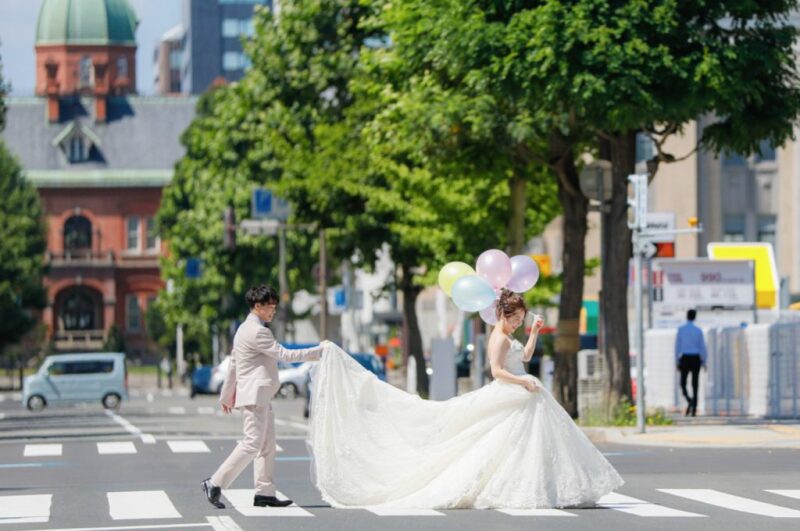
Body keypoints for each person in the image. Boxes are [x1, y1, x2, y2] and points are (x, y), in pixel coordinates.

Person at [307, 289, 623, 509]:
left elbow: (525, 357)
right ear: (503, 314)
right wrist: (522, 381)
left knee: (524, 444)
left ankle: (542, 485)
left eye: (522, 319)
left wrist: (534, 333)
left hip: (523, 390)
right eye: (516, 318)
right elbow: (497, 371)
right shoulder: (498, 338)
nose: (519, 323)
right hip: (511, 392)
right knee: (496, 443)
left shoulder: (511, 335)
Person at [202, 284, 328, 509]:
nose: (273, 311)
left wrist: (227, 394)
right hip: (255, 396)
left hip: (258, 396)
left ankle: (265, 492)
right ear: (257, 306)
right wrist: (317, 352)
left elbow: (234, 364)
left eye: (275, 307)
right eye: (270, 307)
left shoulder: (243, 329)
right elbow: (285, 355)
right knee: (252, 444)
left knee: (267, 446)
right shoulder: (258, 331)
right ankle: (214, 483)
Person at [674, 309, 707, 417]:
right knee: (695, 384)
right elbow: (702, 347)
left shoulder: (681, 330)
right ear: (695, 317)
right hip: (695, 358)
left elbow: (677, 346)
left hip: (685, 358)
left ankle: (690, 402)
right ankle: (693, 405)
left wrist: (677, 360)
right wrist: (704, 361)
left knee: (682, 384)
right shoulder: (698, 330)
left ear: (687, 316)